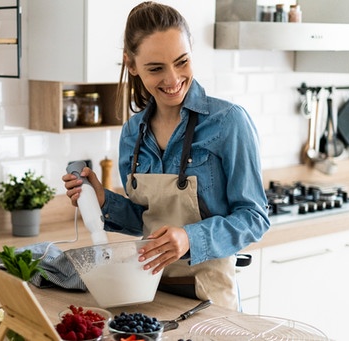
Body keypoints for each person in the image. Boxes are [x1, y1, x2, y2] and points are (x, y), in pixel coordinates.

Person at [62, 1, 270, 311]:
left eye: (182, 61)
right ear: (131, 65)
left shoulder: (228, 122)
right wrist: (105, 200)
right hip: (149, 293)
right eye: (156, 68)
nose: (172, 79)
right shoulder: (132, 134)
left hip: (211, 298)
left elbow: (255, 218)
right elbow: (146, 222)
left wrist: (189, 239)